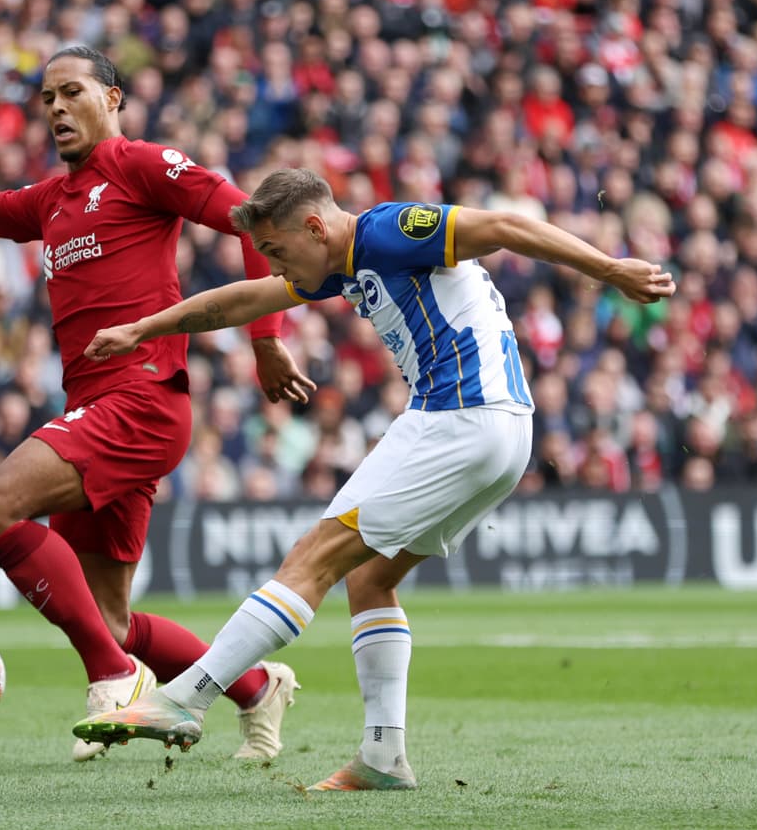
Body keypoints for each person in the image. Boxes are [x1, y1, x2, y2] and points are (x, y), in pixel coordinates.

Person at [74, 168, 675, 788]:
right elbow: (243, 300)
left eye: (277, 250)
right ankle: (384, 757)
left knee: (312, 558)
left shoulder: (388, 231)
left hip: (459, 415)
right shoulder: (341, 264)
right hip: (501, 432)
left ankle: (187, 698)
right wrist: (144, 329)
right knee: (370, 578)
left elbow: (503, 226)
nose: (276, 266)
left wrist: (610, 269)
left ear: (315, 226)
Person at [0, 46, 316, 762]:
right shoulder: (51, 200)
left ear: (112, 99)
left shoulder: (143, 166)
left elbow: (252, 220)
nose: (54, 107)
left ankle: (111, 677)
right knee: (107, 617)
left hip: (141, 399)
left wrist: (266, 341)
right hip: (99, 406)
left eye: (71, 91)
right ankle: (255, 686)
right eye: (45, 96)